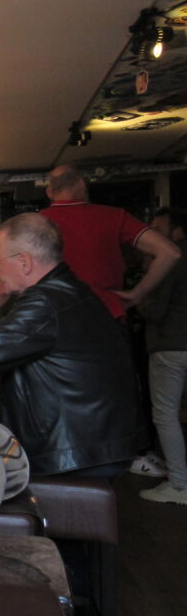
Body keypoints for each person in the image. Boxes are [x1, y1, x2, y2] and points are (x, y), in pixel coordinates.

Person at [0, 213, 140, 476]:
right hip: (96, 436)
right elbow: (3, 350)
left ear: (24, 262)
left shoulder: (44, 301)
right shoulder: (67, 288)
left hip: (74, 448)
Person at [0, 164, 180, 335]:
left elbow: (5, 286)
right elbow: (170, 252)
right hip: (105, 318)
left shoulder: (36, 225)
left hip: (52, 323)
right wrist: (136, 294)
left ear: (49, 192)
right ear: (82, 185)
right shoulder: (113, 217)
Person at [136, 207, 187, 503]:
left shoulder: (170, 261)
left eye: (158, 229)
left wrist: (137, 296)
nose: (152, 235)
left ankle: (179, 485)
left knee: (166, 415)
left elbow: (153, 309)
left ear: (176, 232)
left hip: (171, 345)